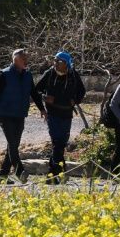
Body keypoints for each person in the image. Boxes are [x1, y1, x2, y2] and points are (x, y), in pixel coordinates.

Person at [0, 49, 46, 184]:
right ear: (16, 60)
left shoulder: (28, 75)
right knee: (12, 144)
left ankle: (2, 177)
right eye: (24, 58)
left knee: (13, 146)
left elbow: (34, 93)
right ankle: (20, 172)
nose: (26, 60)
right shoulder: (4, 75)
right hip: (5, 116)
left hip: (20, 115)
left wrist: (42, 109)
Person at [34, 51, 85, 184]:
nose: (55, 64)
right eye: (55, 61)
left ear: (66, 63)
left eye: (59, 62)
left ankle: (52, 175)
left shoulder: (73, 75)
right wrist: (45, 98)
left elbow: (82, 91)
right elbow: (36, 90)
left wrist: (75, 100)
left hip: (67, 114)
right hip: (53, 114)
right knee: (57, 142)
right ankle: (60, 173)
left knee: (61, 144)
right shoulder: (50, 74)